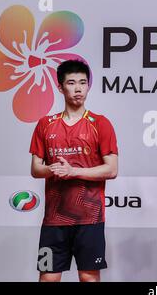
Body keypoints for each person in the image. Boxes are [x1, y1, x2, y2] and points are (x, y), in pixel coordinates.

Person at [30, 60, 118, 282]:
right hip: (54, 220)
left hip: (90, 219)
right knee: (48, 278)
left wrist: (73, 172)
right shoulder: (45, 124)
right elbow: (35, 169)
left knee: (88, 277)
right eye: (71, 83)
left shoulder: (100, 123)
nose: (78, 88)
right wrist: (52, 169)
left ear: (88, 86)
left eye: (83, 82)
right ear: (60, 87)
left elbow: (112, 169)